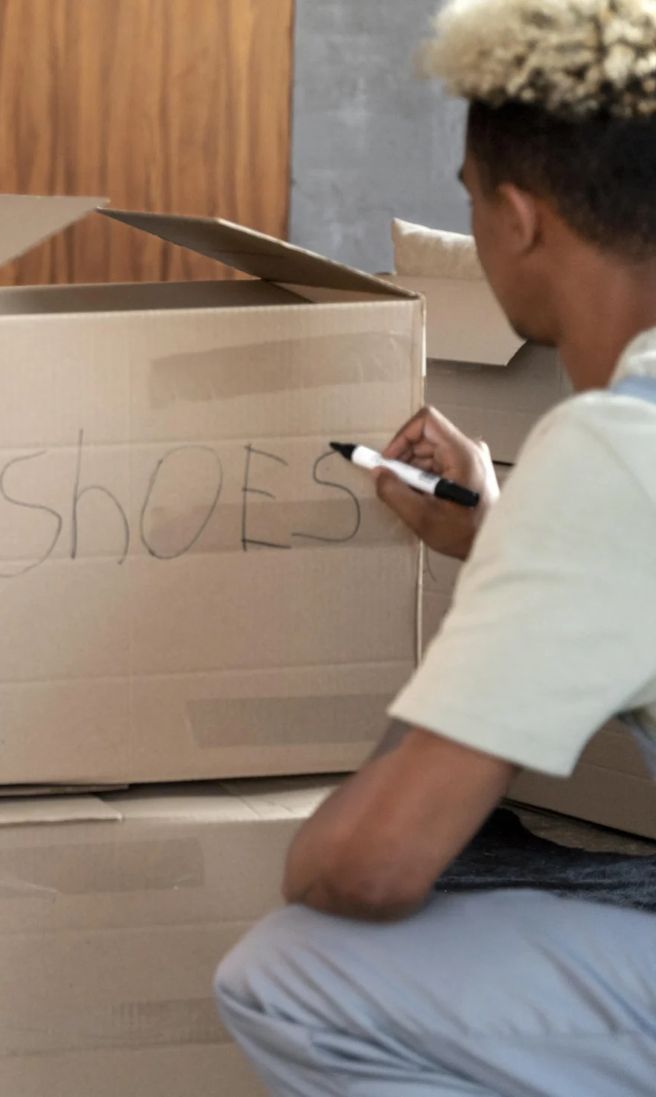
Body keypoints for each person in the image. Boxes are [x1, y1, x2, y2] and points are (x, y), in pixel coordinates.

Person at [213, 1, 656, 1092]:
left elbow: (366, 866)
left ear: (516, 217)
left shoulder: (615, 448)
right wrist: (505, 536)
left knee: (289, 971)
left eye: (466, 195)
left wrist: (288, 846)